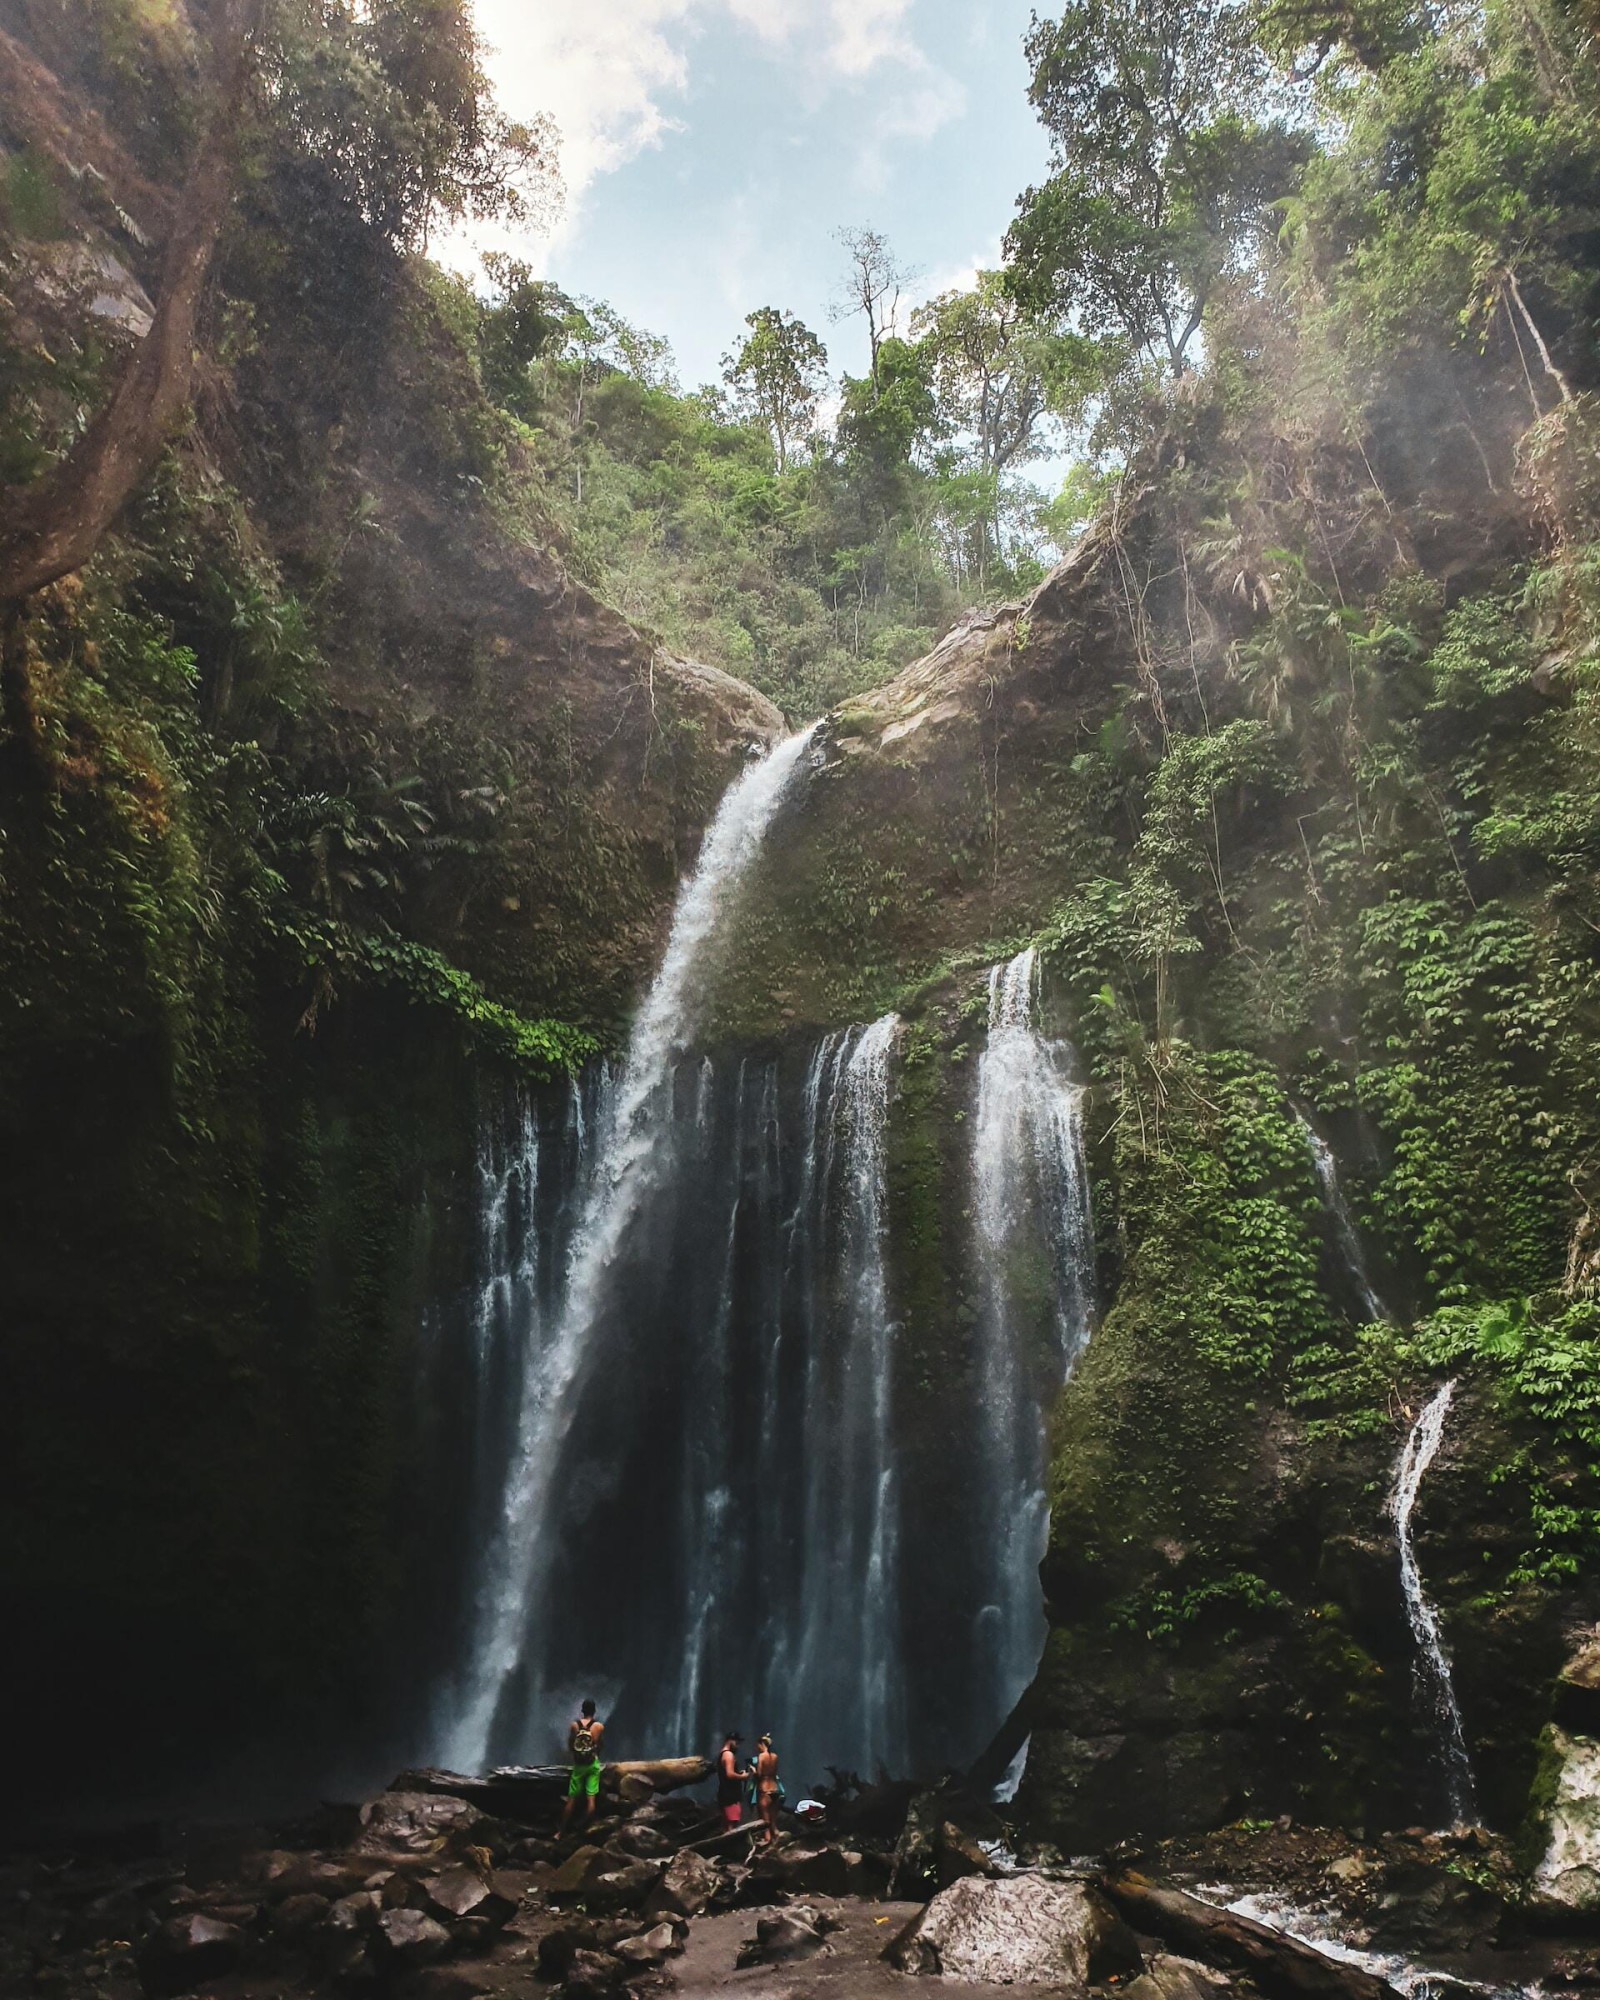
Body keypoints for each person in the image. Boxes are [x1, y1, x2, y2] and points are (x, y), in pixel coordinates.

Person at [560, 1698, 606, 1831]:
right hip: (593, 1765)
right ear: (594, 1711)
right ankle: (583, 1828)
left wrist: (576, 1756)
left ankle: (560, 1831)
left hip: (579, 1766)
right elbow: (600, 1746)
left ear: (582, 1710)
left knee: (571, 1801)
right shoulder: (599, 1727)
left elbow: (570, 1745)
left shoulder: (574, 1725)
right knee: (591, 1801)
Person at [715, 1730, 747, 1828]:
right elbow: (729, 1774)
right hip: (730, 1796)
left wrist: (738, 1773)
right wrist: (743, 1776)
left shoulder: (722, 1753)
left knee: (727, 1824)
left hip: (725, 1793)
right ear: (730, 1741)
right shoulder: (729, 1755)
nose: (737, 1745)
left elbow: (727, 1773)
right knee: (731, 1824)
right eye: (736, 1742)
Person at [753, 1733, 780, 1847]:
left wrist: (753, 1770)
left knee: (765, 1820)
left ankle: (767, 1844)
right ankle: (778, 1840)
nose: (757, 1748)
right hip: (774, 1787)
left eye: (758, 1745)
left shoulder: (761, 1756)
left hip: (764, 1788)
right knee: (773, 1820)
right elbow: (775, 1772)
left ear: (762, 1744)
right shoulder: (775, 1756)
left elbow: (759, 1774)